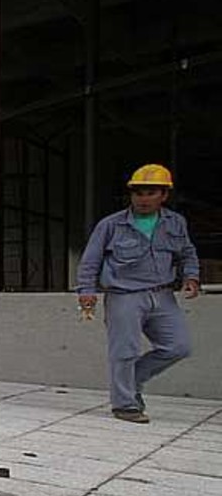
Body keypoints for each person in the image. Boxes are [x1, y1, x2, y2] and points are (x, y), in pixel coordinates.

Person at [76, 164, 201, 423]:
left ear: (164, 195)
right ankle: (125, 405)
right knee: (124, 351)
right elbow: (90, 260)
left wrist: (192, 276)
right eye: (138, 193)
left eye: (151, 192)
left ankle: (131, 381)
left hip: (163, 295)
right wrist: (86, 291)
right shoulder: (111, 225)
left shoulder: (175, 223)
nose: (143, 198)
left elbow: (187, 252)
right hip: (124, 295)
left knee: (178, 346)